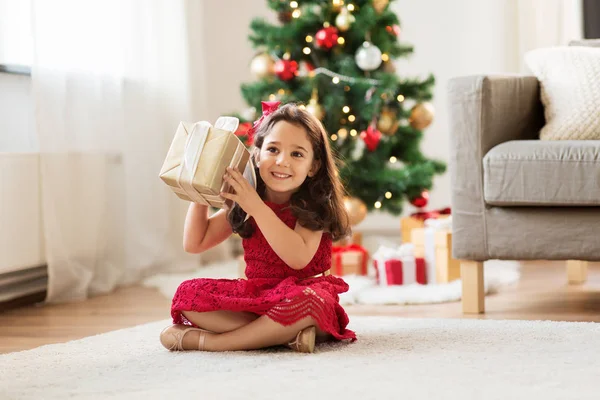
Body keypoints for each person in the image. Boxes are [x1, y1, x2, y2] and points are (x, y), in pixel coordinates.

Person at [160, 102, 356, 353]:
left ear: (313, 166)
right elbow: (195, 243)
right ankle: (281, 336)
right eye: (273, 149)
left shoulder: (313, 205)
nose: (282, 161)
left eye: (297, 154)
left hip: (303, 297)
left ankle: (217, 342)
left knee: (309, 303)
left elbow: (298, 258)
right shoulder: (248, 198)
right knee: (188, 294)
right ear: (257, 154)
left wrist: (256, 208)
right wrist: (201, 191)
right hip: (259, 298)